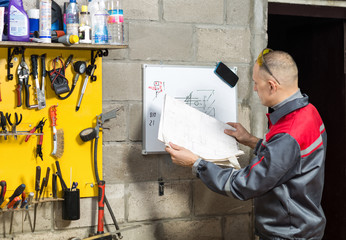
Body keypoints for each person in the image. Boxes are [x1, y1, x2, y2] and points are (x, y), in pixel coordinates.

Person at [165, 49, 327, 240]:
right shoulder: (309, 112)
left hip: (289, 233)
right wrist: (250, 140)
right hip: (303, 227)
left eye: (256, 83)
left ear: (272, 86)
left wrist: (196, 164)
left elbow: (246, 184)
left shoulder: (288, 133)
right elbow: (287, 161)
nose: (255, 89)